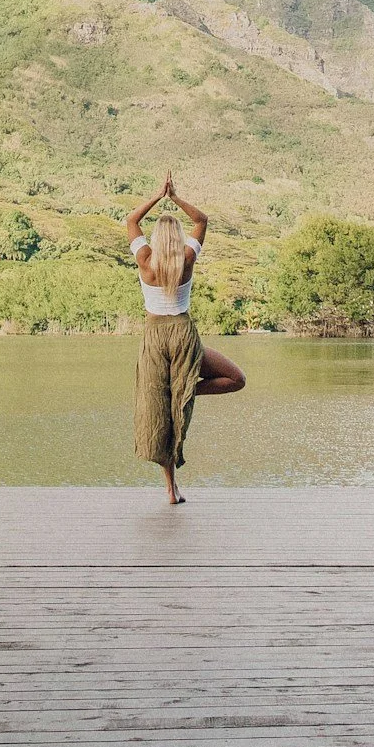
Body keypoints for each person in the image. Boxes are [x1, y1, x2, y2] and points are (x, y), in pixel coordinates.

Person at [126, 173, 246, 503]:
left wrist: (156, 196)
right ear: (177, 237)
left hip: (154, 337)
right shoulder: (187, 259)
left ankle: (170, 489)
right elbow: (202, 219)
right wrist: (175, 197)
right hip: (181, 335)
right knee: (236, 379)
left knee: (161, 413)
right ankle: (185, 389)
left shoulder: (144, 260)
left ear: (155, 237)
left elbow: (131, 219)